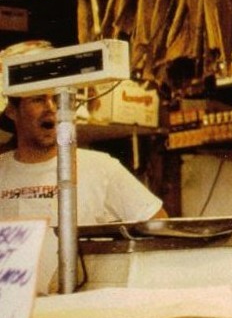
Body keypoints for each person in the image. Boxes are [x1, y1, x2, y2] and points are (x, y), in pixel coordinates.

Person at [0, 92, 167, 294]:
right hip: (10, 314)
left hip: (78, 311)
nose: (52, 107)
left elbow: (159, 228)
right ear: (12, 112)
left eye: (59, 99)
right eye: (38, 99)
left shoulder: (101, 167)